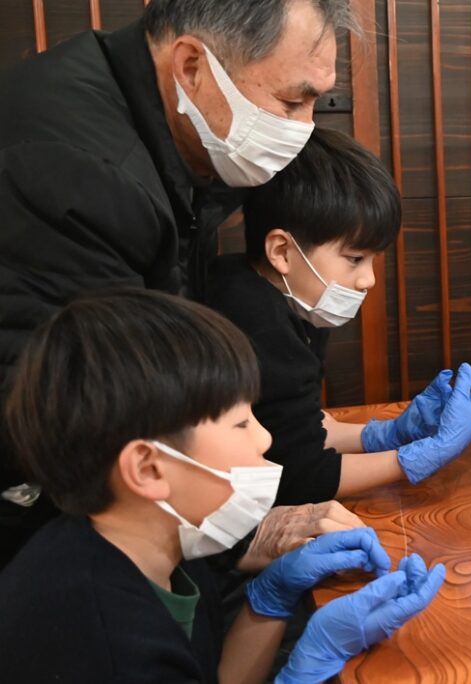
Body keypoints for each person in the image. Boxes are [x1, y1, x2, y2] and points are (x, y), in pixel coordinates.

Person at [0, 0, 349, 566]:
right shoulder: (81, 171)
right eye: (291, 101)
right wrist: (242, 534)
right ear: (191, 66)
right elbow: (93, 413)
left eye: (317, 101)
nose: (304, 128)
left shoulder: (170, 126)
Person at [0, 289, 445, 682]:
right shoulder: (104, 644)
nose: (264, 437)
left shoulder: (162, 543)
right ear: (149, 470)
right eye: (240, 423)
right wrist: (309, 664)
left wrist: (270, 599)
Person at [206, 129, 471, 505]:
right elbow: (302, 476)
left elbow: (298, 428)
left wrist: (389, 433)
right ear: (281, 250)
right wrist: (424, 455)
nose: (369, 279)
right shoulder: (257, 322)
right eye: (354, 259)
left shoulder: (287, 296)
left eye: (373, 259)